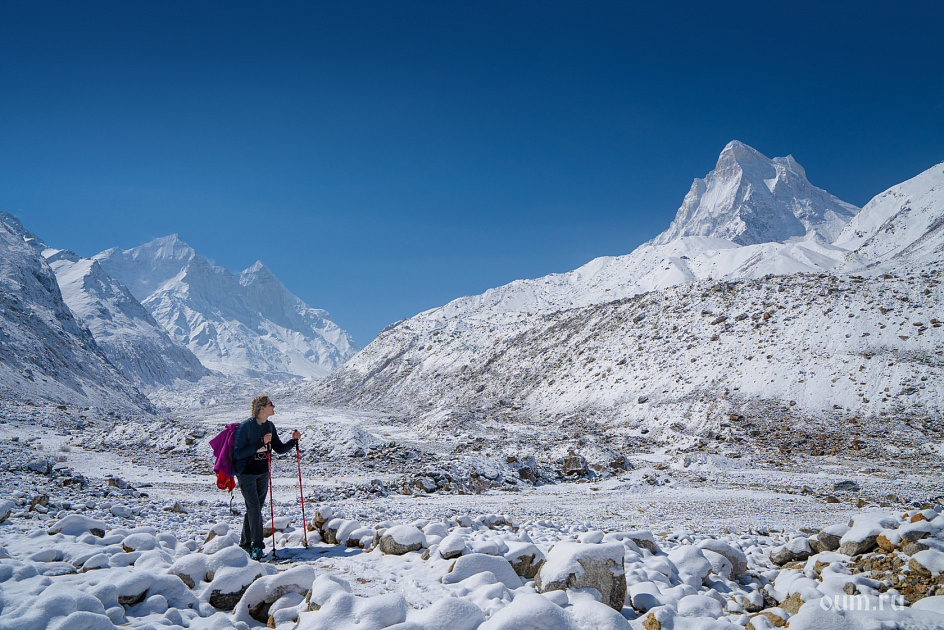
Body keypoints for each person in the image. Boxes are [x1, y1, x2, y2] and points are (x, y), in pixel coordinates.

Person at [232, 395, 300, 560]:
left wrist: (292, 442)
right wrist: (260, 443)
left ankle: (245, 545)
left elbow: (278, 449)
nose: (274, 407)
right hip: (246, 473)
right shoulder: (245, 427)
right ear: (262, 408)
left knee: (253, 510)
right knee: (254, 509)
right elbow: (238, 453)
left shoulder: (270, 425)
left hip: (262, 473)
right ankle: (257, 547)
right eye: (271, 405)